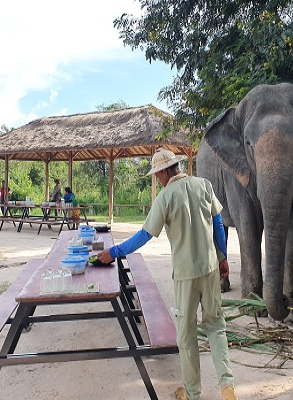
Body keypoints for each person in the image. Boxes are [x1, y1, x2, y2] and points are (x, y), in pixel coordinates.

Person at [97, 149, 237, 400]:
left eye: (157, 175)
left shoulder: (165, 197)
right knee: (216, 327)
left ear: (164, 171)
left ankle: (193, 394)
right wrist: (222, 255)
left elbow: (145, 235)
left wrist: (114, 252)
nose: (157, 180)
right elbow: (218, 221)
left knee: (186, 335)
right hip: (211, 268)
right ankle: (227, 387)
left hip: (186, 275)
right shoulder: (203, 185)